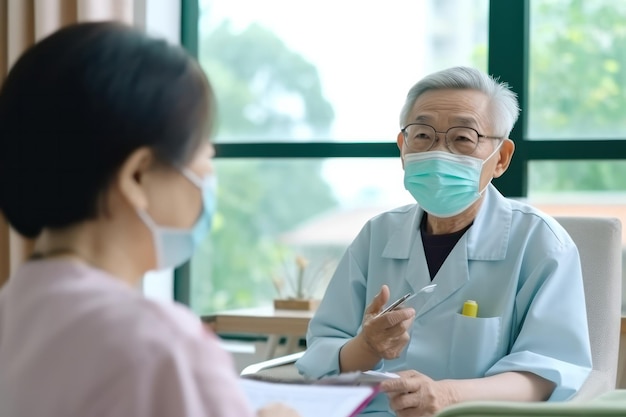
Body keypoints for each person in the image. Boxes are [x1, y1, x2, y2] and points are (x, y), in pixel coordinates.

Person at [0, 22, 299, 417]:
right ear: (138, 176)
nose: (208, 178)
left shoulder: (13, 313)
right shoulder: (163, 348)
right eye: (204, 155)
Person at [296, 66, 592, 416]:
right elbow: (321, 355)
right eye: (423, 135)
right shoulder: (377, 235)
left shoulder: (541, 243)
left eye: (463, 138)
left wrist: (449, 396)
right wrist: (367, 345)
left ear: (502, 158)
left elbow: (544, 373)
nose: (439, 153)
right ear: (403, 148)